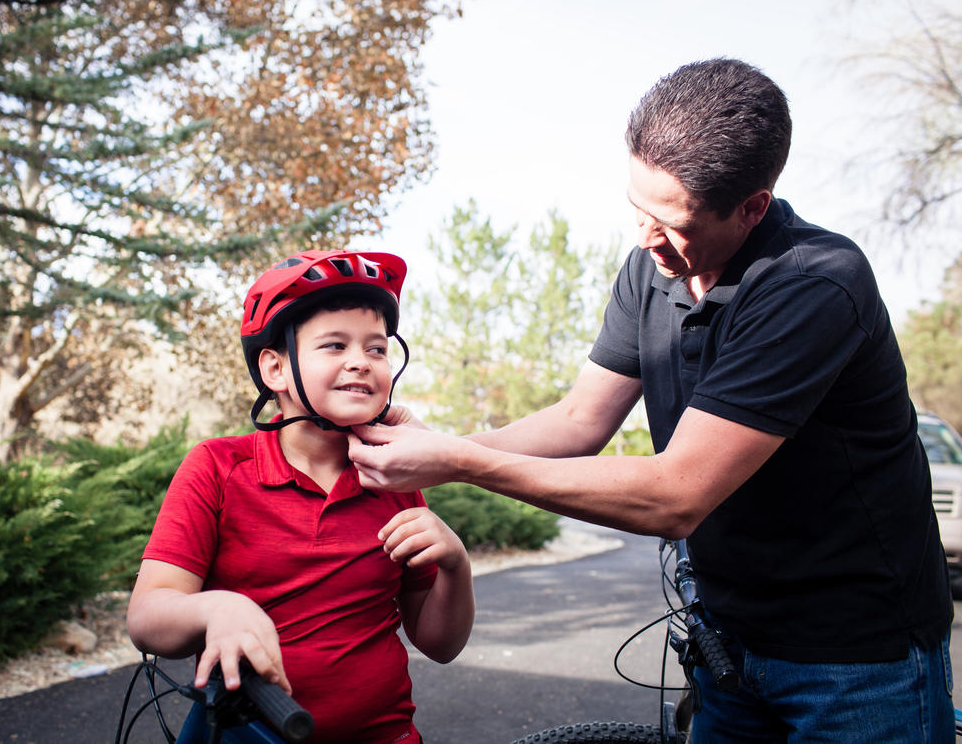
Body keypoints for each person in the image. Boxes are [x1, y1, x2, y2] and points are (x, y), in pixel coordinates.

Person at [347, 59, 955, 742]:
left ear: (752, 207)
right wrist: (434, 445)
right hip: (728, 644)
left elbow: (675, 494)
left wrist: (459, 462)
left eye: (671, 220)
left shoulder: (812, 284)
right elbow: (579, 420)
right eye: (637, 208)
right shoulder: (652, 267)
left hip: (851, 659)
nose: (645, 237)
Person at [127, 249, 475, 744]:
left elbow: (439, 644)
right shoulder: (218, 468)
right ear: (275, 369)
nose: (361, 361)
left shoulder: (395, 476)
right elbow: (146, 618)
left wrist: (456, 566)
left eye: (377, 349)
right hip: (250, 735)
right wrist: (218, 609)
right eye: (334, 345)